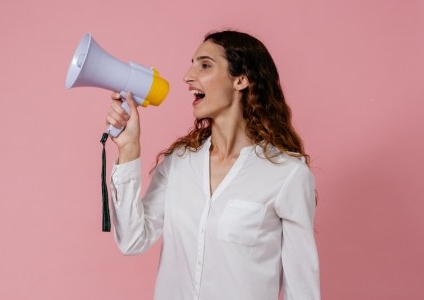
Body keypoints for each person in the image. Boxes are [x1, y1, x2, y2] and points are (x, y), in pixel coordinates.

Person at [105, 30, 320, 300]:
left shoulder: (287, 175)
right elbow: (132, 240)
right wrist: (129, 148)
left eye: (205, 65)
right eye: (192, 63)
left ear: (241, 80)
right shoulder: (180, 163)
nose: (187, 76)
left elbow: (301, 288)